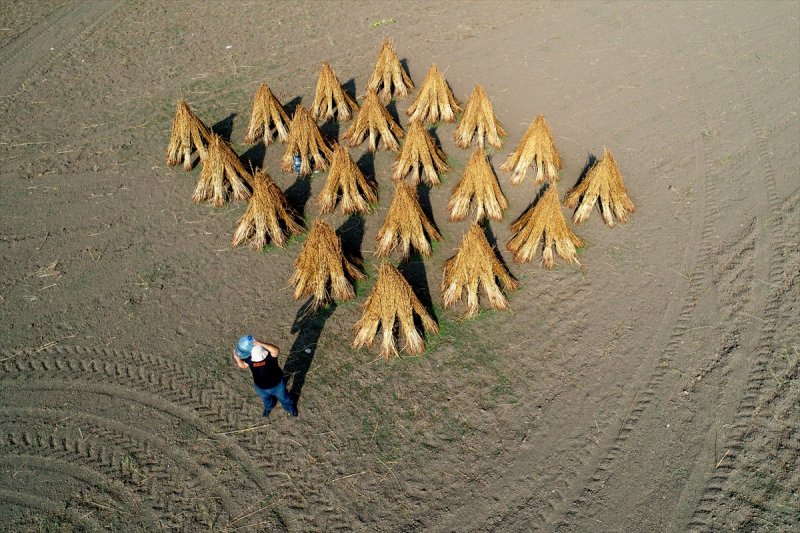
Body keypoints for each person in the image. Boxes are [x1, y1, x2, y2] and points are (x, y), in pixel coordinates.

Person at [233, 335, 298, 417]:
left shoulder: (269, 358)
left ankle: (290, 409)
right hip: (261, 388)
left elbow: (276, 349)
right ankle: (268, 408)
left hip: (277, 386)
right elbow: (243, 365)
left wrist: (260, 343)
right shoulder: (251, 358)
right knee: (266, 400)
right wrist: (237, 358)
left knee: (284, 399)